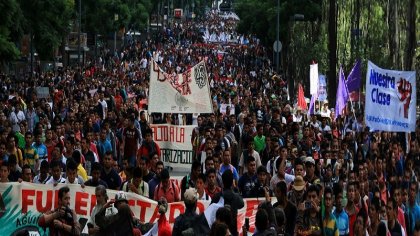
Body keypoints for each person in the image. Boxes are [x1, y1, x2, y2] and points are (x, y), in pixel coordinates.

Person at [211, 170, 245, 236]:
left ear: (222, 182)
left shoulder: (217, 196)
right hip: (233, 231)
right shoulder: (236, 197)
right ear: (232, 181)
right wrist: (236, 191)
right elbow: (242, 204)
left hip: (220, 233)